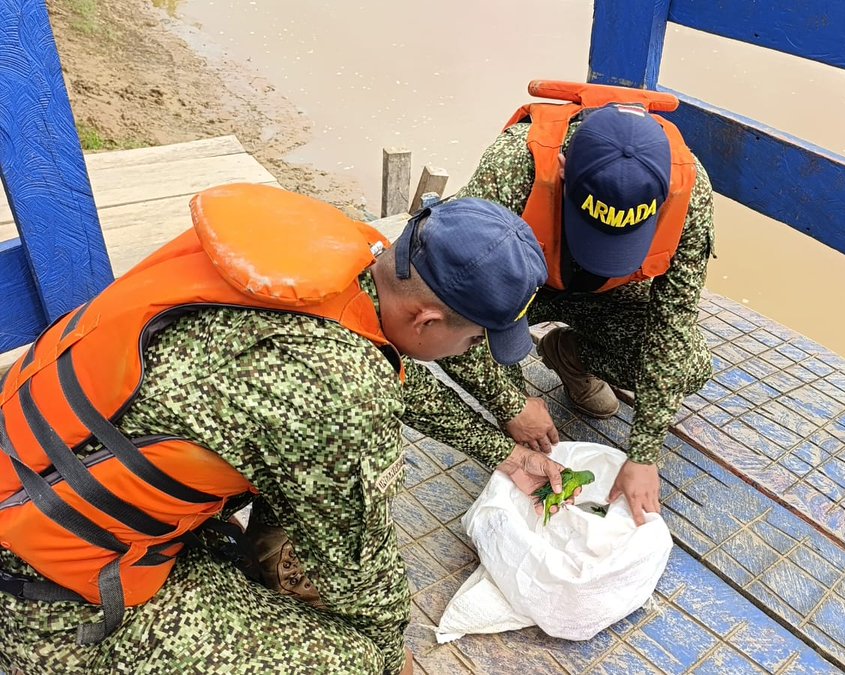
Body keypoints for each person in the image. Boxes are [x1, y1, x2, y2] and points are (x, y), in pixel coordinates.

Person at [0, 184, 565, 674]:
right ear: (427, 320)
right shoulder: (339, 389)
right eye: (473, 341)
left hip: (37, 470)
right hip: (52, 603)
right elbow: (358, 567)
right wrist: (391, 653)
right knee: (359, 658)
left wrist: (500, 450)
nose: (469, 351)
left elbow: (386, 374)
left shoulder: (332, 261)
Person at [440, 81, 716, 526]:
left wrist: (644, 453)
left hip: (605, 293)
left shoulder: (691, 190)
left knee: (690, 366)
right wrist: (511, 403)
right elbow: (447, 298)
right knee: (472, 339)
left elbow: (674, 323)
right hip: (522, 289)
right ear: (564, 168)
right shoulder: (514, 165)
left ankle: (569, 354)